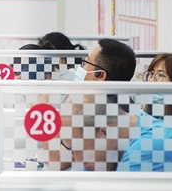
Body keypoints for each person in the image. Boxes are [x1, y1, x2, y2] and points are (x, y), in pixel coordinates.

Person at [57, 38, 137, 171]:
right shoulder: (125, 102)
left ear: (100, 75)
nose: (80, 68)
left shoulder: (96, 109)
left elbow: (61, 160)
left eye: (85, 63)